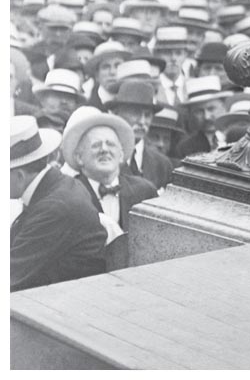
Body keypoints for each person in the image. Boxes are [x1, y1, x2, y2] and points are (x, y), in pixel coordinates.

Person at [11, 116, 107, 291]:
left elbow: (11, 275)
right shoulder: (58, 185)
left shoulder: (54, 209)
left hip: (69, 304)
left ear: (19, 176)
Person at [61, 106, 158, 233]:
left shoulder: (145, 192)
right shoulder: (66, 197)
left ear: (121, 154)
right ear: (79, 157)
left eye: (110, 144)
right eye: (95, 145)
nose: (104, 150)